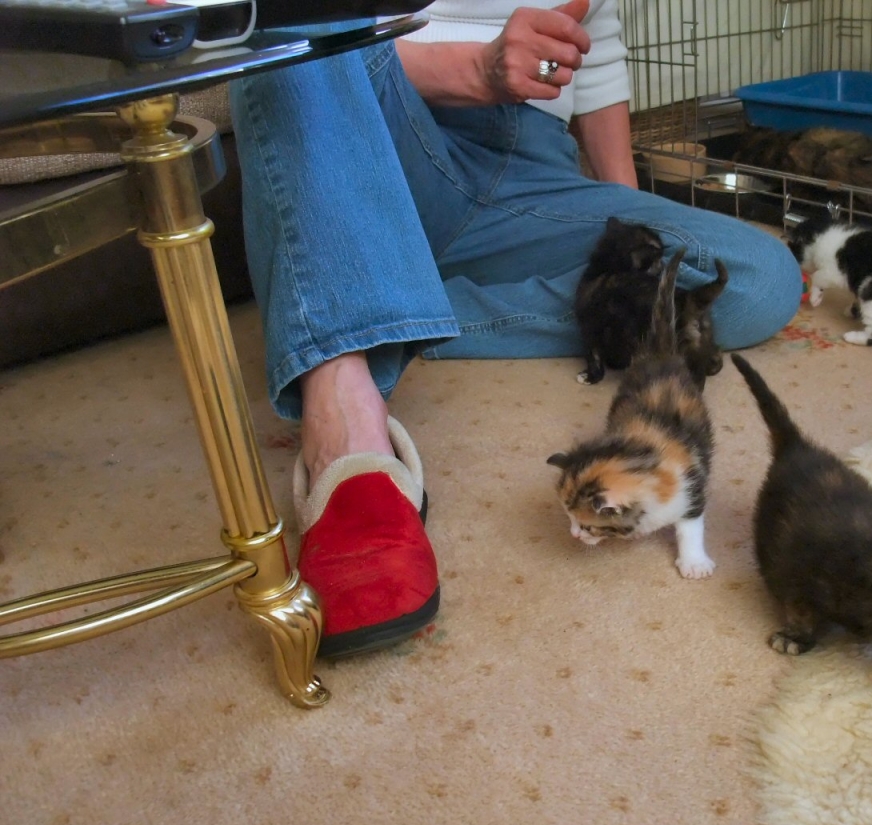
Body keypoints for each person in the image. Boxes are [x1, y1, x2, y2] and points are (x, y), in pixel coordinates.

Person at [228, 0, 802, 659]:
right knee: (294, 18)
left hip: (534, 168)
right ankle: (343, 414)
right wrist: (471, 70)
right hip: (386, 131)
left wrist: (633, 227)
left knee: (757, 281)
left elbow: (595, 51)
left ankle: (386, 304)